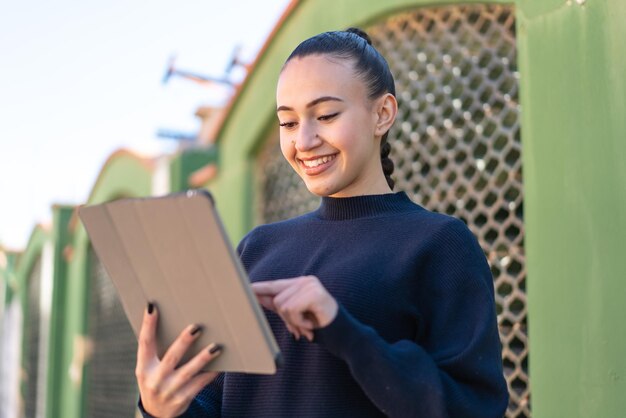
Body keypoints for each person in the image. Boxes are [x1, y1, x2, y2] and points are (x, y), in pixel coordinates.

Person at [136, 28, 509, 418]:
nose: (305, 140)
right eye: (288, 123)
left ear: (382, 114)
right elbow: (215, 404)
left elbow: (473, 409)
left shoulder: (440, 244)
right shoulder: (257, 248)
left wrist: (341, 329)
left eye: (326, 115)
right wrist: (161, 407)